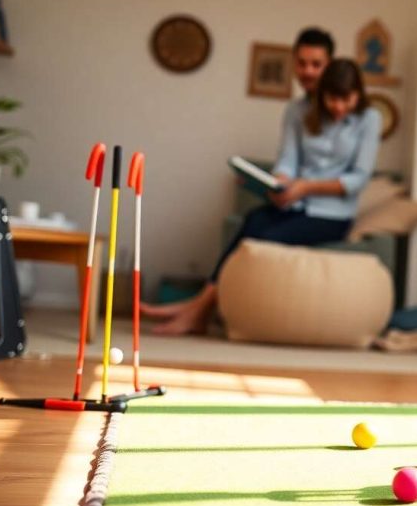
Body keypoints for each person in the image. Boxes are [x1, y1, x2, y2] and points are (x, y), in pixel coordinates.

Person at [142, 55, 382, 335]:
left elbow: (358, 179)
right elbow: (288, 162)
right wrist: (278, 183)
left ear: (358, 95)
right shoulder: (305, 114)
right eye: (332, 100)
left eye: (347, 100)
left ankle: (196, 311)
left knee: (262, 240)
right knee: (253, 222)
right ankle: (197, 309)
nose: (339, 107)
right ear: (321, 96)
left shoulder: (369, 119)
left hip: (332, 215)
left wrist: (305, 186)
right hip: (297, 204)